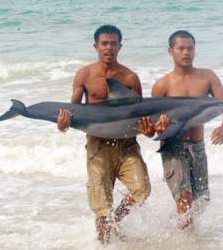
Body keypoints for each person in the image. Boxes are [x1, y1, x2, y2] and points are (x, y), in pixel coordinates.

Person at [57, 25, 151, 243]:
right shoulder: (85, 75)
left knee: (142, 189)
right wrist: (62, 125)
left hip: (127, 145)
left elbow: (141, 117)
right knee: (101, 206)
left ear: (120, 46)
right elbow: (74, 114)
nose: (109, 48)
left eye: (114, 43)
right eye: (104, 43)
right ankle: (104, 238)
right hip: (98, 146)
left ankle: (115, 220)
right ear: (96, 46)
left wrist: (149, 131)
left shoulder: (130, 78)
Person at [138, 30, 223, 229]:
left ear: (195, 50)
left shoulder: (207, 77)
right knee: (185, 198)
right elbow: (154, 126)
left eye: (190, 48)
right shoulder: (162, 85)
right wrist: (154, 129)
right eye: (181, 48)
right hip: (173, 146)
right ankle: (186, 242)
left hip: (198, 147)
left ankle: (180, 234)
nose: (186, 52)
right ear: (170, 51)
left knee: (201, 201)